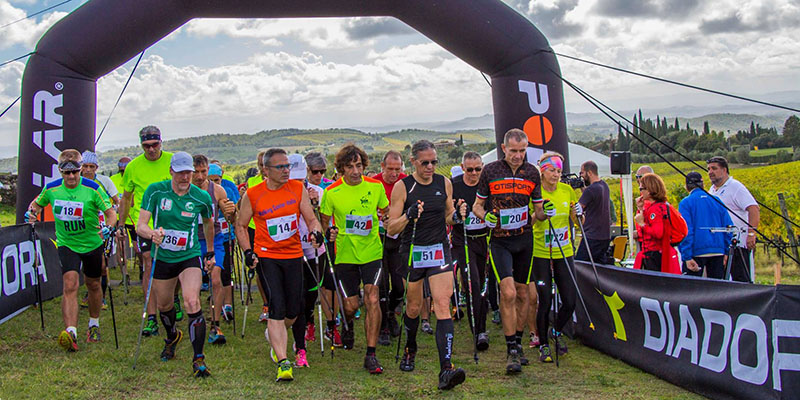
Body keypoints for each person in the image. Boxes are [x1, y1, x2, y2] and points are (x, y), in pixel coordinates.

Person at [235, 148, 323, 382]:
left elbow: (311, 218)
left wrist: (316, 232)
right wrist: (247, 251)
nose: (286, 171)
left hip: (293, 254)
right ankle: (284, 361)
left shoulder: (296, 189)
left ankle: (274, 335)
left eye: (288, 166)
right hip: (267, 257)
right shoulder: (253, 195)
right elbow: (241, 225)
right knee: (277, 306)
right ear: (266, 170)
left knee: (294, 310)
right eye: (280, 167)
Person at [386, 139, 467, 390]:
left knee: (443, 304)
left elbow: (447, 216)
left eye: (434, 162)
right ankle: (411, 347)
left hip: (439, 250)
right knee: (413, 307)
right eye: (425, 163)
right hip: (412, 251)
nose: (430, 167)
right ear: (413, 162)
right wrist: (408, 216)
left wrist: (457, 215)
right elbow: (391, 227)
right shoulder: (403, 187)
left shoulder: (444, 183)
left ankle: (446, 368)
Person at [472, 129, 547, 374]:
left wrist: (546, 212)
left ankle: (517, 341)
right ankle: (510, 350)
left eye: (522, 150)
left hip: (524, 239)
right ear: (504, 148)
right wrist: (487, 217)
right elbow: (477, 206)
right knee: (508, 292)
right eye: (513, 151)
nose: (517, 156)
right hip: (500, 242)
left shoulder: (532, 172)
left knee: (525, 294)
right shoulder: (491, 171)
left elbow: (538, 212)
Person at [26, 149, 116, 351]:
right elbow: (36, 204)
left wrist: (108, 227)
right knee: (70, 284)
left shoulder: (92, 188)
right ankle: (71, 332)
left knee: (93, 284)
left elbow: (111, 213)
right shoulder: (52, 189)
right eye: (67, 173)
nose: (72, 176)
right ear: (60, 172)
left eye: (75, 171)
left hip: (92, 243)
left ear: (81, 169)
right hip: (67, 244)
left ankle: (94, 324)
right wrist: (31, 213)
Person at [135, 151, 215, 377]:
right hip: (163, 256)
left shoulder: (201, 197)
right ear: (171, 171)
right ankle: (172, 336)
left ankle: (198, 359)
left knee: (191, 301)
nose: (185, 177)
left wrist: (209, 252)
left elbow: (209, 224)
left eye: (188, 172)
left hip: (188, 255)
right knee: (164, 306)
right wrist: (152, 233)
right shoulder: (156, 191)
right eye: (180, 172)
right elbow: (141, 224)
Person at [319, 144, 389, 374]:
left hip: (371, 252)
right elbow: (324, 222)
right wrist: (327, 233)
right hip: (345, 255)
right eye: (350, 167)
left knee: (372, 298)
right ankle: (347, 324)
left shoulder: (376, 187)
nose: (356, 171)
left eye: (359, 166)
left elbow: (385, 211)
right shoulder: (332, 193)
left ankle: (371, 354)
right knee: (351, 305)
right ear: (341, 169)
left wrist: (387, 219)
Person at [117, 126, 174, 336]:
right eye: (146, 146)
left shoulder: (172, 161)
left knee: (171, 264)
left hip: (171, 221)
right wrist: (121, 225)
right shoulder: (133, 166)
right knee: (148, 262)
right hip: (145, 222)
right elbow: (126, 198)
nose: (150, 150)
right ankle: (151, 316)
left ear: (161, 142)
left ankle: (171, 297)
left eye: (154, 145)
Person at [531, 152, 578, 363]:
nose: (557, 175)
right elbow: (530, 221)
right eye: (552, 170)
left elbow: (577, 221)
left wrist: (579, 212)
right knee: (546, 300)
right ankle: (543, 344)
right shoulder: (536, 191)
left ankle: (556, 331)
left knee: (570, 300)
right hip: (541, 251)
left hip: (564, 252)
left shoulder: (567, 190)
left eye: (559, 171)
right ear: (543, 171)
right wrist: (541, 213)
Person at [288, 154, 329, 366]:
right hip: (292, 252)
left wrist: (315, 205)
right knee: (298, 298)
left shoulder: (319, 192)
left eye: (300, 179)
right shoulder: (282, 194)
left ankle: (309, 320)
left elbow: (324, 221)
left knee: (312, 293)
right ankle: (300, 345)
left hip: (315, 250)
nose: (297, 183)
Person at [191, 155, 236, 345]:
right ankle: (195, 319)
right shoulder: (185, 190)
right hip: (192, 240)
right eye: (196, 172)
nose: (200, 176)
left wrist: (231, 211)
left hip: (215, 239)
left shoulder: (217, 190)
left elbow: (231, 219)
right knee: (192, 284)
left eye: (203, 172)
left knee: (216, 279)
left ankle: (215, 324)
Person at [450, 151, 490, 351]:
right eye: (470, 169)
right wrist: (457, 213)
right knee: (472, 283)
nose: (474, 173)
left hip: (483, 239)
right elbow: (447, 215)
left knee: (482, 284)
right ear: (462, 167)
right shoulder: (455, 185)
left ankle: (482, 320)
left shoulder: (487, 185)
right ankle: (479, 331)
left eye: (478, 169)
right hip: (462, 242)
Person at [707, 156, 760, 283]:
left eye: (714, 168)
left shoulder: (735, 187)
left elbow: (753, 208)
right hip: (720, 245)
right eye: (708, 169)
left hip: (737, 244)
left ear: (724, 170)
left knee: (740, 278)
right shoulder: (712, 190)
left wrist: (751, 233)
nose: (710, 172)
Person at [373, 150, 407, 344]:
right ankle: (383, 325)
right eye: (390, 169)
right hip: (378, 240)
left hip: (398, 240)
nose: (394, 174)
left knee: (400, 286)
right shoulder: (374, 183)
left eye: (397, 169)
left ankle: (392, 313)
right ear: (382, 167)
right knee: (382, 284)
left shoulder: (404, 182)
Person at [79, 151, 119, 309]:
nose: (88, 170)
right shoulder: (76, 182)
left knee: (102, 264)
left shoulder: (105, 181)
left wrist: (115, 222)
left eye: (91, 167)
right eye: (85, 166)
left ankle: (100, 296)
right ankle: (90, 292)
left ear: (97, 167)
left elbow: (117, 201)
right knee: (88, 262)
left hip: (103, 228)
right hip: (84, 227)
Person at [678, 172, 733, 278]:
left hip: (696, 252)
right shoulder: (716, 200)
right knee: (716, 289)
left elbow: (686, 231)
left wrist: (687, 256)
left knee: (692, 290)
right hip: (718, 251)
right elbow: (728, 227)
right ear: (703, 184)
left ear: (687, 187)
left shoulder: (686, 203)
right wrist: (726, 250)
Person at [208, 163, 240, 324]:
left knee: (226, 270)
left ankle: (227, 305)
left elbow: (235, 208)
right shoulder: (203, 190)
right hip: (208, 237)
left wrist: (231, 211)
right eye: (211, 180)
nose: (214, 183)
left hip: (226, 235)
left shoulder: (227, 187)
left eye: (217, 180)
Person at [633, 173, 680, 274]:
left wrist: (642, 224)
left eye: (642, 189)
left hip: (655, 255)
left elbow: (658, 233)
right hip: (652, 253)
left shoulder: (656, 209)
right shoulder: (654, 207)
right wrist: (640, 208)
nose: (640, 191)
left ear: (649, 190)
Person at [576, 160, 611, 265]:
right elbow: (593, 199)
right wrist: (583, 189)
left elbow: (578, 208)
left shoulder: (590, 190)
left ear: (589, 172)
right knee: (599, 267)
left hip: (592, 237)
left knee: (580, 265)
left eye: (582, 173)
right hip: (604, 236)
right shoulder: (604, 186)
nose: (581, 176)